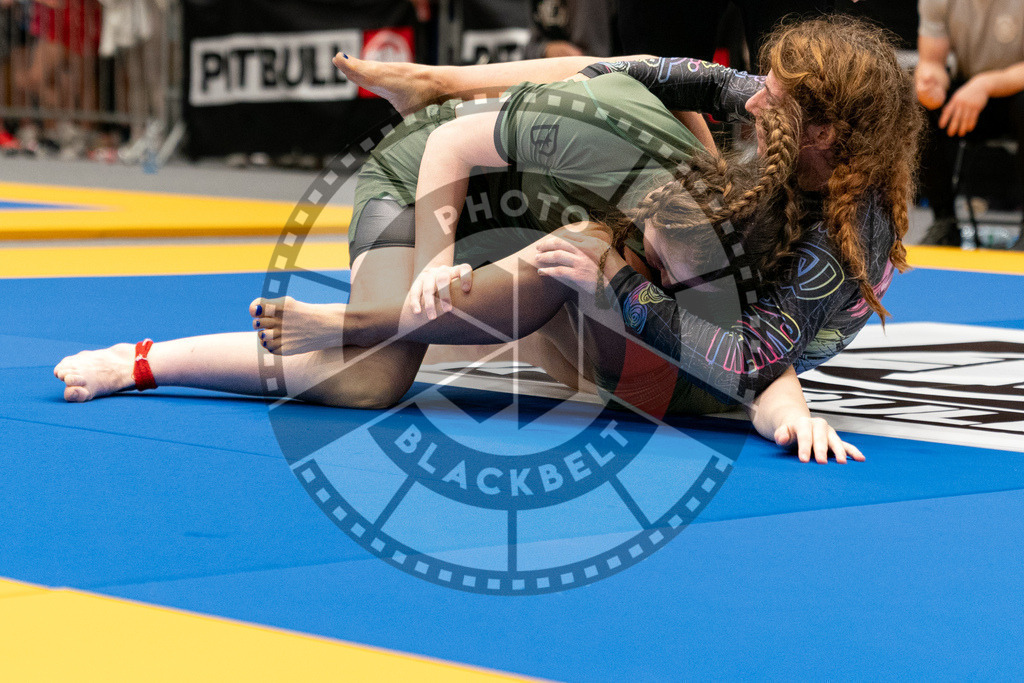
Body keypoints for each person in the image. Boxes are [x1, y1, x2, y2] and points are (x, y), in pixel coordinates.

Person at [54, 17, 914, 464]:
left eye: (776, 102)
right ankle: (148, 358)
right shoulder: (629, 148)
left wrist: (781, 394)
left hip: (565, 225)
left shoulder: (834, 228)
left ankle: (374, 319)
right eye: (756, 89)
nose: (750, 101)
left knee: (576, 265)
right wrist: (425, 264)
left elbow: (752, 350)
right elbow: (494, 125)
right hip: (429, 171)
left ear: (827, 138)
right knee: (373, 378)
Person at [916, 0, 1024, 248]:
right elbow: (931, 62)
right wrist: (931, 84)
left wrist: (985, 85)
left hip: (1016, 93)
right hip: (968, 97)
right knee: (923, 108)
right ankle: (945, 221)